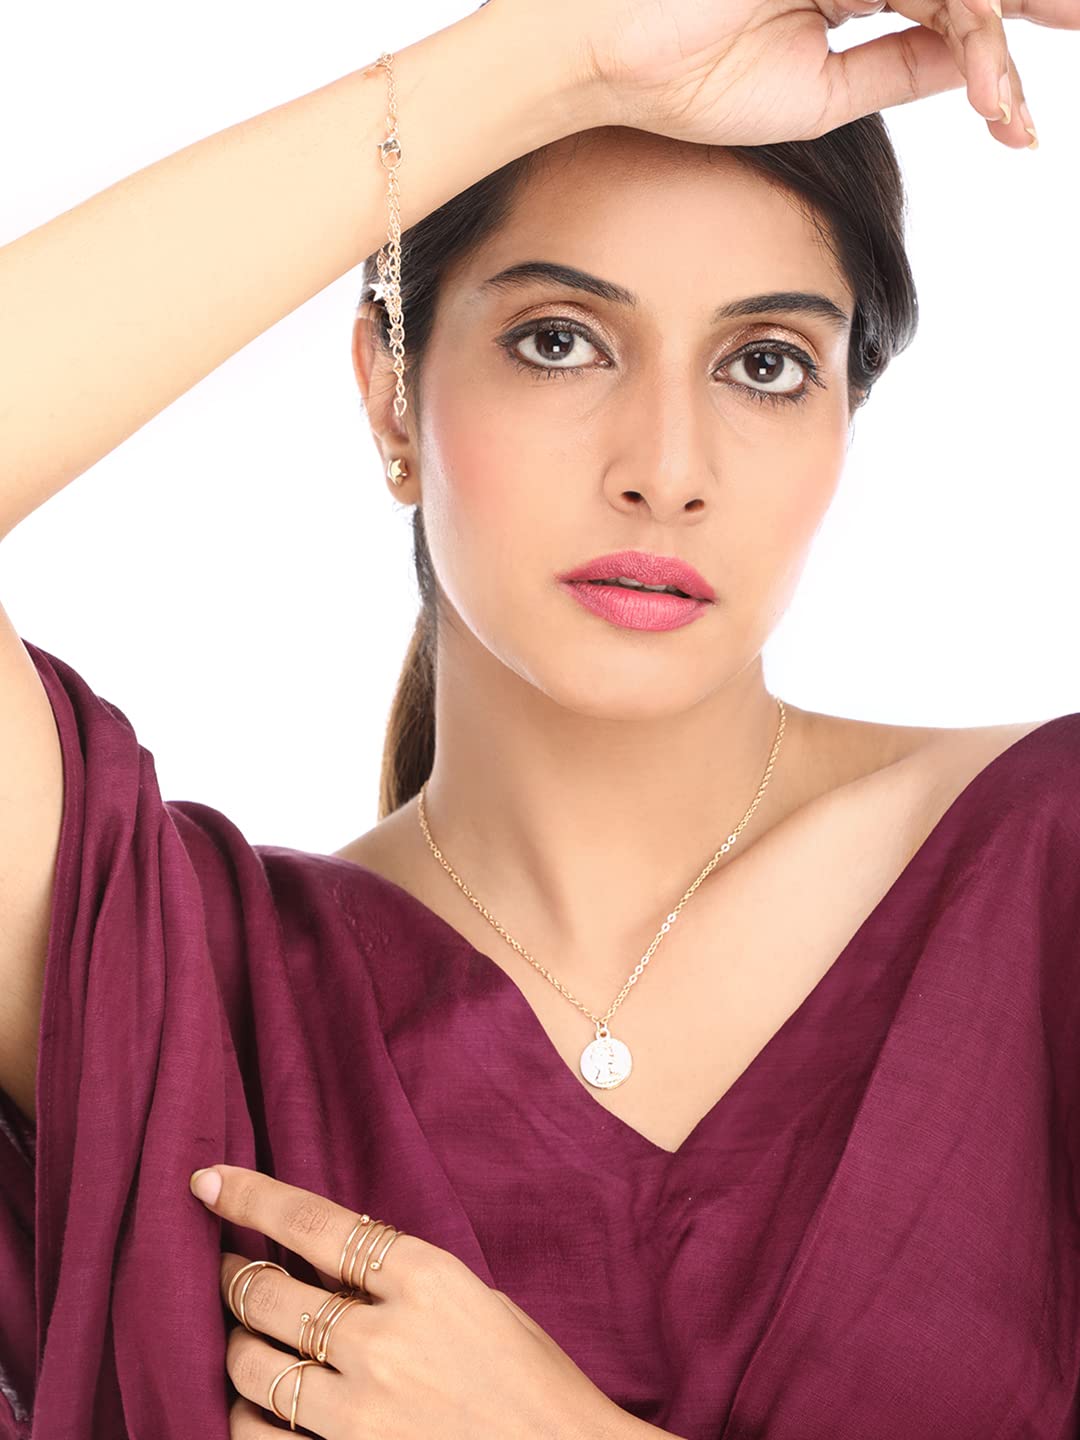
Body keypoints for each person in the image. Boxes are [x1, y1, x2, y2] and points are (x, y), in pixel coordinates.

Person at [0, 0, 1076, 1435]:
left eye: (764, 363)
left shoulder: (1048, 873)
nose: (666, 470)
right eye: (561, 340)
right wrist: (559, 52)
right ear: (392, 393)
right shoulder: (196, 994)